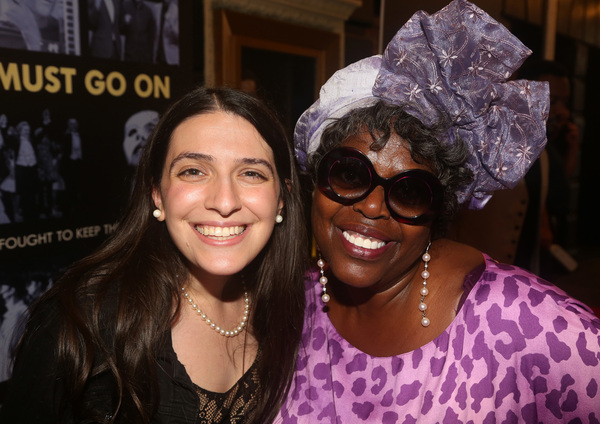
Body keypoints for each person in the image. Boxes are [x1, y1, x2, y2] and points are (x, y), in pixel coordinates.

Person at [277, 1, 600, 422]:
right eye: (350, 175)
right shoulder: (286, 305)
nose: (373, 207)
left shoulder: (519, 321)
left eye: (410, 192)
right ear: (316, 181)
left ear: (438, 210)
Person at [0, 87, 308, 423]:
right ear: (157, 194)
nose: (224, 201)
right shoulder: (80, 326)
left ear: (281, 199)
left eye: (251, 173)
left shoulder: (299, 310)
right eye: (193, 171)